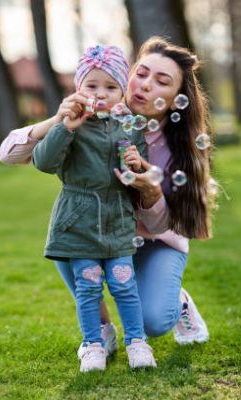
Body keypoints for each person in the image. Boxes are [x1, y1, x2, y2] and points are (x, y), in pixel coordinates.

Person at [0, 36, 213, 356]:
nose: (145, 85)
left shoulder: (178, 148)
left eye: (161, 81)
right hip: (97, 230)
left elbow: (159, 227)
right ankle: (101, 328)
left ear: (176, 97)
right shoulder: (97, 115)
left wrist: (151, 191)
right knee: (68, 238)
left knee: (153, 320)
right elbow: (8, 154)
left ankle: (176, 300)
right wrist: (58, 120)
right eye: (141, 74)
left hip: (155, 243)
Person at [32, 44, 156, 372]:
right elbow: (43, 162)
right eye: (92, 85)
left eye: (111, 86)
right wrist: (65, 127)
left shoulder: (131, 126)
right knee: (87, 287)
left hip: (117, 218)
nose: (101, 93)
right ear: (78, 88)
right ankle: (92, 345)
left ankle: (136, 342)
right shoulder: (71, 124)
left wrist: (137, 164)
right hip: (78, 220)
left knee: (124, 284)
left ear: (122, 91)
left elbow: (140, 178)